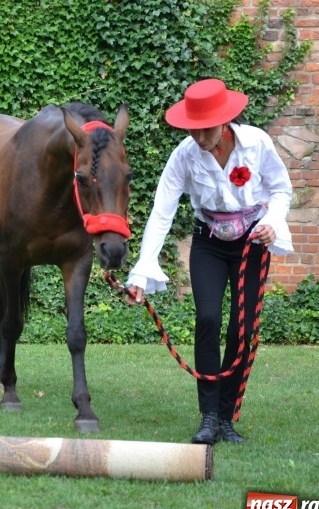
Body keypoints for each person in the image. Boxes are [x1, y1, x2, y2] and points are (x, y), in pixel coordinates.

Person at [126, 78, 294, 445]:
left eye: (205, 130)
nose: (199, 138)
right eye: (193, 130)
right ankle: (209, 417)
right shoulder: (183, 156)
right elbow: (161, 212)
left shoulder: (257, 143)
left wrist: (271, 223)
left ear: (225, 120)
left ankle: (227, 417)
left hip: (252, 242)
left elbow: (281, 189)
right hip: (209, 243)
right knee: (207, 318)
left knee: (243, 327)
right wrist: (141, 271)